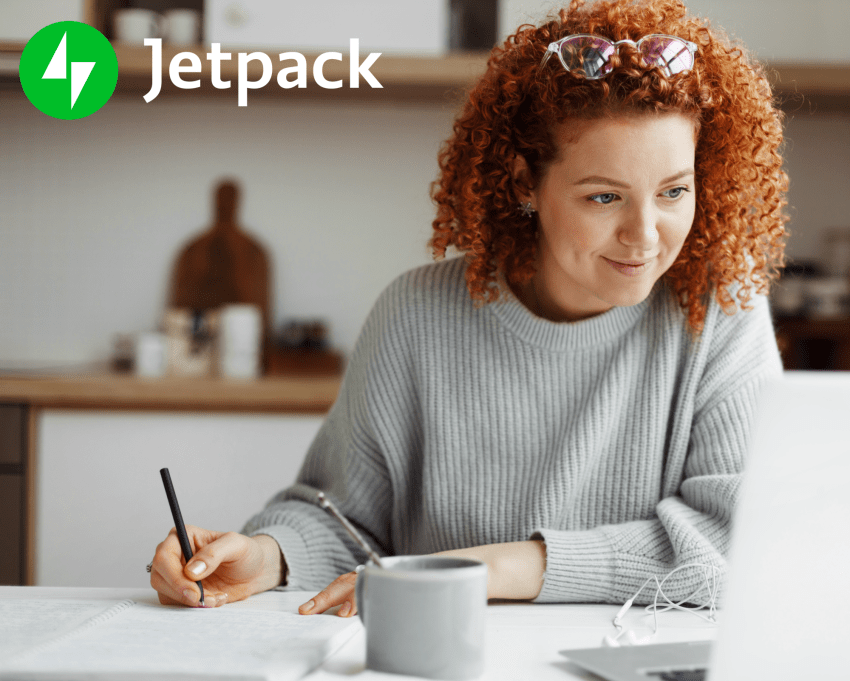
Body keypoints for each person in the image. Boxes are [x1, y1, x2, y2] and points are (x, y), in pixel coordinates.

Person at [149, 0, 788, 616]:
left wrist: (501, 569)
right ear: (522, 184)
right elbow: (342, 517)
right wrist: (270, 556)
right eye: (603, 198)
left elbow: (744, 540)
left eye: (675, 191)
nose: (646, 234)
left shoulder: (722, 311)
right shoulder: (416, 315)